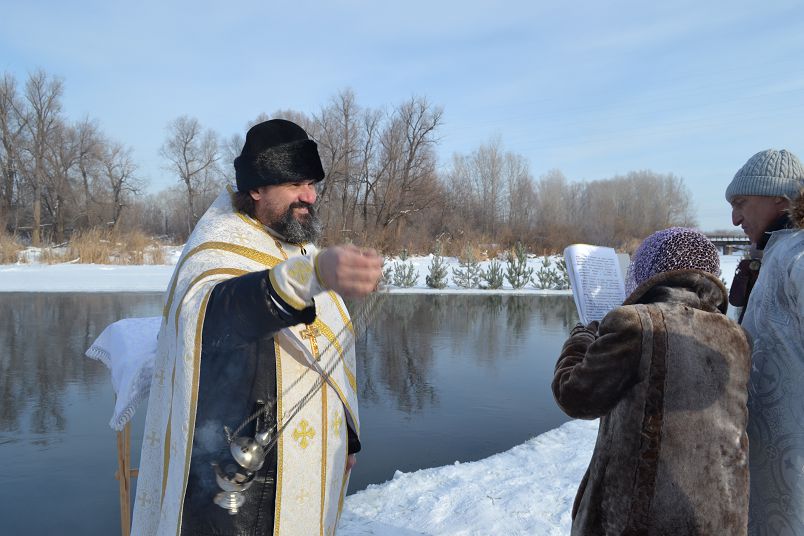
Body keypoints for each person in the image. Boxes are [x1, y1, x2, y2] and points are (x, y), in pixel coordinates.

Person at [131, 119, 383, 536]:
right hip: (241, 476)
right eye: (296, 184)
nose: (310, 196)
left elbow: (329, 352)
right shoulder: (217, 246)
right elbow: (214, 318)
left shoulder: (296, 243)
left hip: (311, 459)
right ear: (256, 189)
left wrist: (347, 438)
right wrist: (310, 276)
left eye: (312, 184)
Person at [552, 228, 751, 535]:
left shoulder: (637, 324)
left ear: (648, 272)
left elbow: (574, 397)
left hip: (641, 520)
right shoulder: (735, 335)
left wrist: (581, 338)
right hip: (719, 518)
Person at [725, 148, 804, 535]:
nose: (735, 218)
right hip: (768, 474)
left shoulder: (797, 256)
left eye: (741, 203)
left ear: (780, 197)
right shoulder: (775, 255)